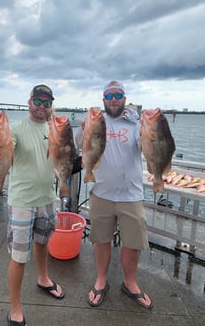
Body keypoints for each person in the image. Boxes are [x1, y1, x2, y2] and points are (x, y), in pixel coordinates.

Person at [87, 80, 153, 309]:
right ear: (103, 99)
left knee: (132, 244)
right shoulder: (96, 121)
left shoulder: (135, 123)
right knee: (101, 241)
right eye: (109, 95)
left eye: (118, 95)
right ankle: (101, 280)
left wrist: (148, 127)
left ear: (124, 98)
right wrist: (84, 127)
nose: (113, 99)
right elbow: (80, 145)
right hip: (101, 193)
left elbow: (146, 146)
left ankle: (130, 282)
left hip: (131, 195)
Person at [7, 84, 65, 326]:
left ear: (51, 105)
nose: (42, 106)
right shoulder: (15, 128)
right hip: (22, 201)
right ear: (29, 102)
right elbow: (5, 151)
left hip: (48, 198)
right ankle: (15, 308)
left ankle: (43, 278)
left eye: (46, 102)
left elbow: (66, 153)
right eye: (38, 101)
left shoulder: (56, 129)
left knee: (43, 243)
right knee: (20, 256)